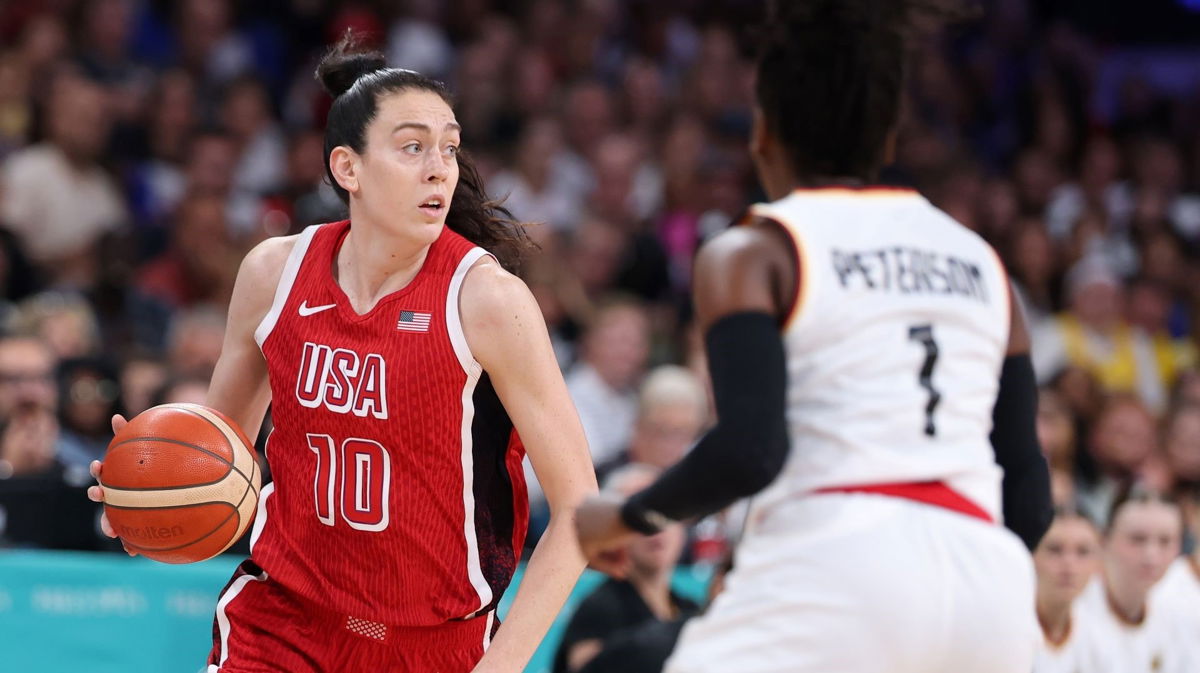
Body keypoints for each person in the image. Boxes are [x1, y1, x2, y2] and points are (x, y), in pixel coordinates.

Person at [88, 36, 596, 673]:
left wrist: (502, 665)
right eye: (413, 146)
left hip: (433, 643)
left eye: (450, 147)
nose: (440, 167)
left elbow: (579, 507)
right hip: (282, 621)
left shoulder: (487, 300)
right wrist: (151, 490)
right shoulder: (275, 273)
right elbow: (223, 454)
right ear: (347, 169)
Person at [575, 2, 1053, 672]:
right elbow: (1030, 496)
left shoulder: (756, 249)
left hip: (837, 563)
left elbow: (749, 450)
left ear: (763, 132)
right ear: (888, 139)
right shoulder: (984, 264)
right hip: (991, 590)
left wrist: (627, 515)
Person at [554, 464, 698, 673]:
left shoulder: (688, 608)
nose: (655, 528)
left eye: (667, 513)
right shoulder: (600, 607)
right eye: (640, 517)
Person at [1074, 486, 1188, 672]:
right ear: (1104, 540)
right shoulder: (1076, 613)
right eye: (1137, 539)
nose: (1151, 556)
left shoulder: (1175, 614)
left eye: (1165, 541)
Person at [1032, 507, 1103, 673]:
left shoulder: (1097, 635)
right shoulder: (1010, 629)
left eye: (1083, 552)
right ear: (1032, 555)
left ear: (1099, 562)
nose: (1069, 564)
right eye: (1055, 549)